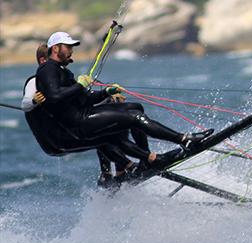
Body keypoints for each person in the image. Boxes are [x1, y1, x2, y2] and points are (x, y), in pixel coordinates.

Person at [35, 31, 213, 171]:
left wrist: (106, 92)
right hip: (79, 123)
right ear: (56, 48)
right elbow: (55, 97)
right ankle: (183, 140)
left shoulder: (62, 71)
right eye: (68, 47)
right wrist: (80, 85)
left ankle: (148, 159)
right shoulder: (47, 69)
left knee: (135, 108)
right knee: (134, 117)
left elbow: (85, 99)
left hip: (84, 115)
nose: (72, 51)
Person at [23, 44, 150, 185]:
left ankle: (119, 171)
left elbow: (83, 102)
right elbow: (26, 103)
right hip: (56, 139)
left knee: (113, 119)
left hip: (66, 131)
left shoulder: (58, 80)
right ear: (43, 61)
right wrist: (34, 101)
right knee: (102, 133)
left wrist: (107, 95)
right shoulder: (35, 81)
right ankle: (120, 169)